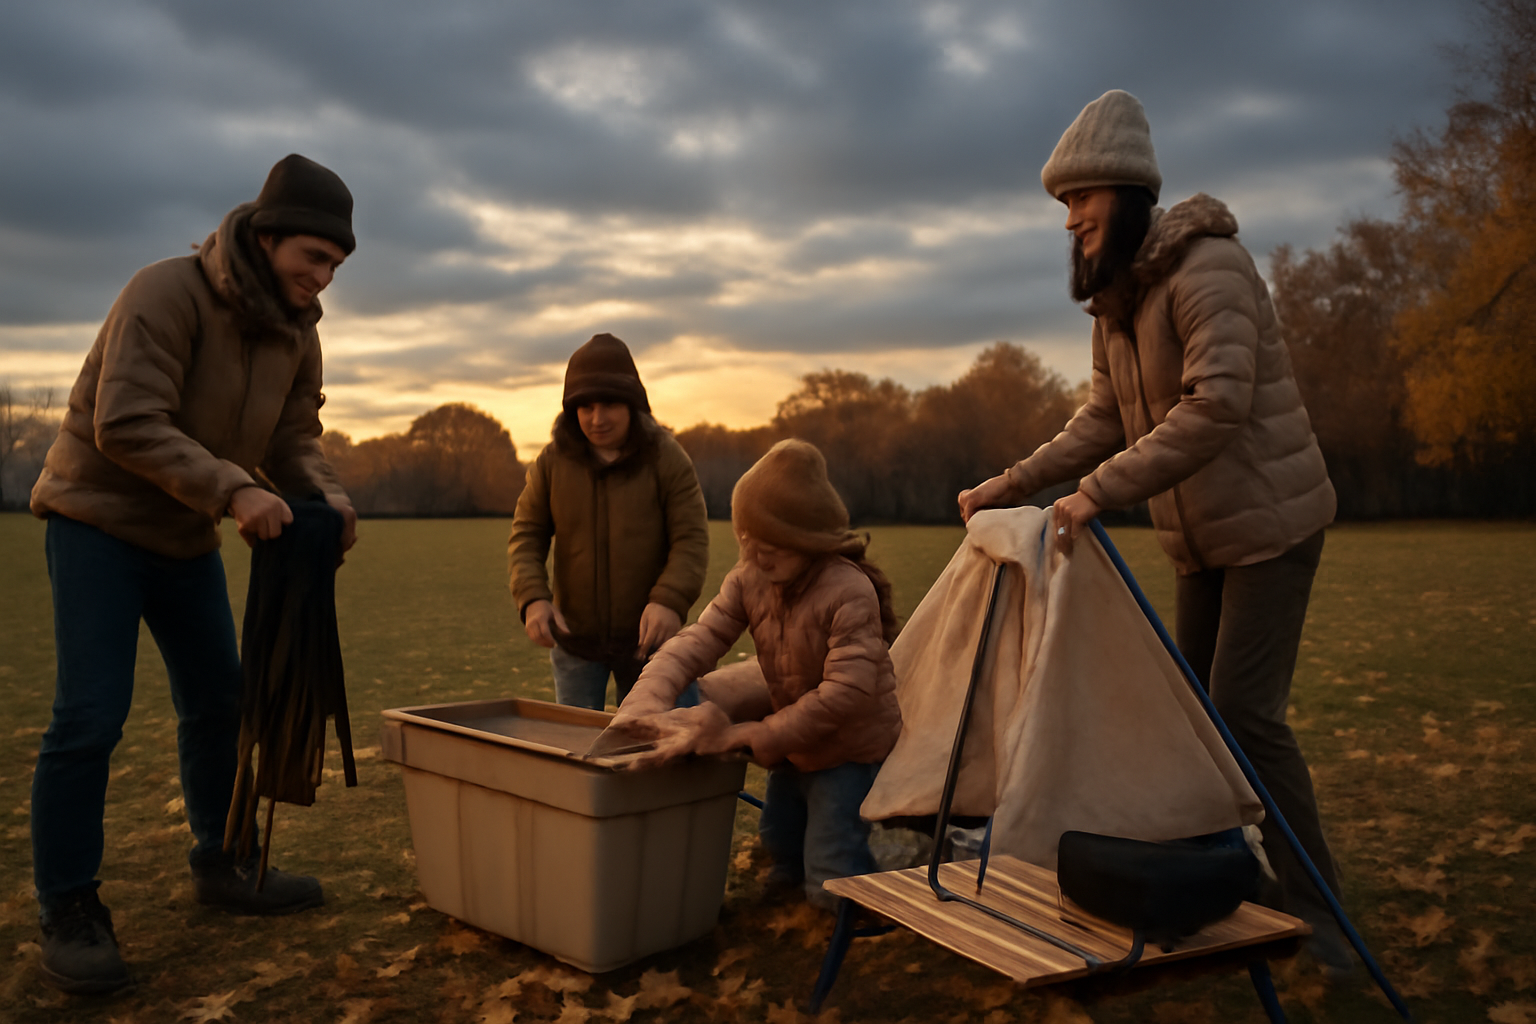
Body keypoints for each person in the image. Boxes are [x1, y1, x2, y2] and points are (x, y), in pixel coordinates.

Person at [958, 90, 1348, 969]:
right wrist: (1009, 483)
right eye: (1063, 206)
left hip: (1273, 523)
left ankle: (1319, 913)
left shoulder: (1209, 267)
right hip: (1198, 540)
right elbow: (1103, 418)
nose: (1071, 221)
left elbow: (1216, 404)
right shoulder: (1118, 301)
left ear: (1128, 192)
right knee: (1194, 723)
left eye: (1081, 198)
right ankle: (1227, 878)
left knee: (1244, 716)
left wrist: (1095, 494)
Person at [27, 153, 360, 994]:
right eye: (314, 258)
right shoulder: (165, 292)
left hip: (186, 534)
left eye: (336, 265)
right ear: (268, 235)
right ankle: (69, 908)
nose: (323, 279)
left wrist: (325, 495)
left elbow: (293, 437)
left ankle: (223, 861)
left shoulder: (299, 329)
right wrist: (235, 488)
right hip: (95, 522)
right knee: (89, 718)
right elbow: (126, 420)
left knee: (220, 703)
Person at [616, 439, 903, 909]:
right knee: (779, 833)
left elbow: (846, 692)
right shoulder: (749, 577)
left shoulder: (849, 590)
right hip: (792, 741)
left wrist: (757, 733)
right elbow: (699, 639)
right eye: (747, 537)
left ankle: (853, 910)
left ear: (808, 540)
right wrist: (646, 700)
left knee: (832, 860)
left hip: (849, 747)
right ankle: (788, 887)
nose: (755, 552)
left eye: (771, 543)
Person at [508, 333, 710, 710]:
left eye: (610, 404)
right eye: (586, 407)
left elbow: (691, 539)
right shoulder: (551, 462)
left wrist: (669, 601)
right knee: (579, 743)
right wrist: (532, 598)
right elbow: (527, 535)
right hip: (575, 642)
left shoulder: (667, 458)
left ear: (633, 404)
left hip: (653, 641)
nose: (597, 419)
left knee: (665, 738)